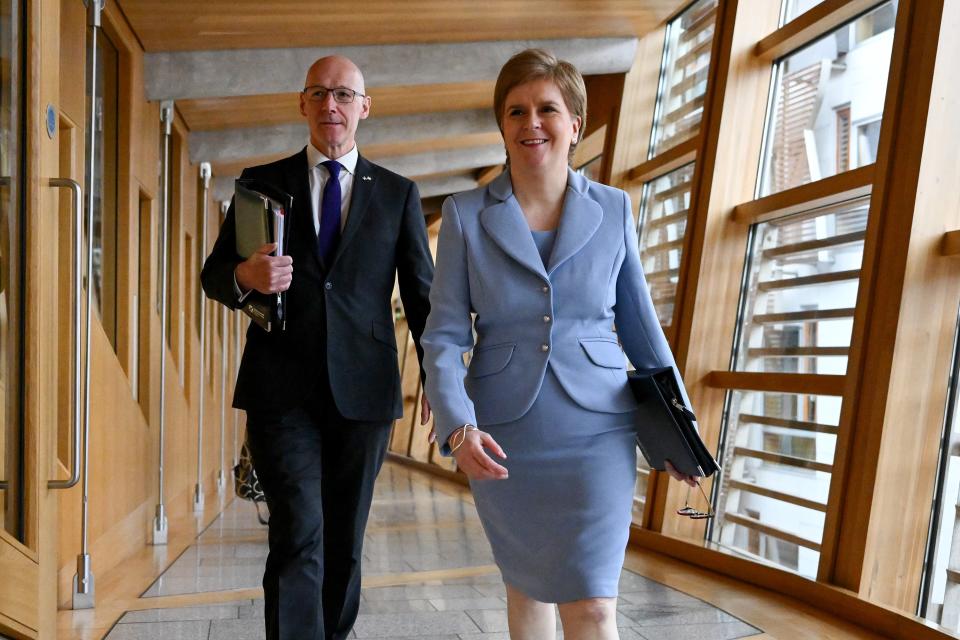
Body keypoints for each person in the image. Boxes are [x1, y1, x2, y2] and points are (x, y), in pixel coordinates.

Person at [421, 48, 698, 640]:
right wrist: (456, 426)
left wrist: (682, 430)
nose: (531, 123)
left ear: (575, 123)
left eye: (547, 108)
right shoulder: (467, 215)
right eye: (516, 111)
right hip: (503, 434)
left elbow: (642, 328)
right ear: (502, 125)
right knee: (527, 590)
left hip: (599, 430)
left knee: (595, 604)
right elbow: (443, 336)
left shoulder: (615, 208)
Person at [201, 55, 434, 640]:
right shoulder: (260, 184)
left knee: (344, 539)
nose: (332, 105)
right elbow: (213, 276)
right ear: (302, 104)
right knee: (298, 532)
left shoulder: (399, 194)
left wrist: (439, 379)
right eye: (319, 93)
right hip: (281, 390)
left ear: (364, 107)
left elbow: (423, 296)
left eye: (344, 95)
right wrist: (245, 279)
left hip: (366, 391)